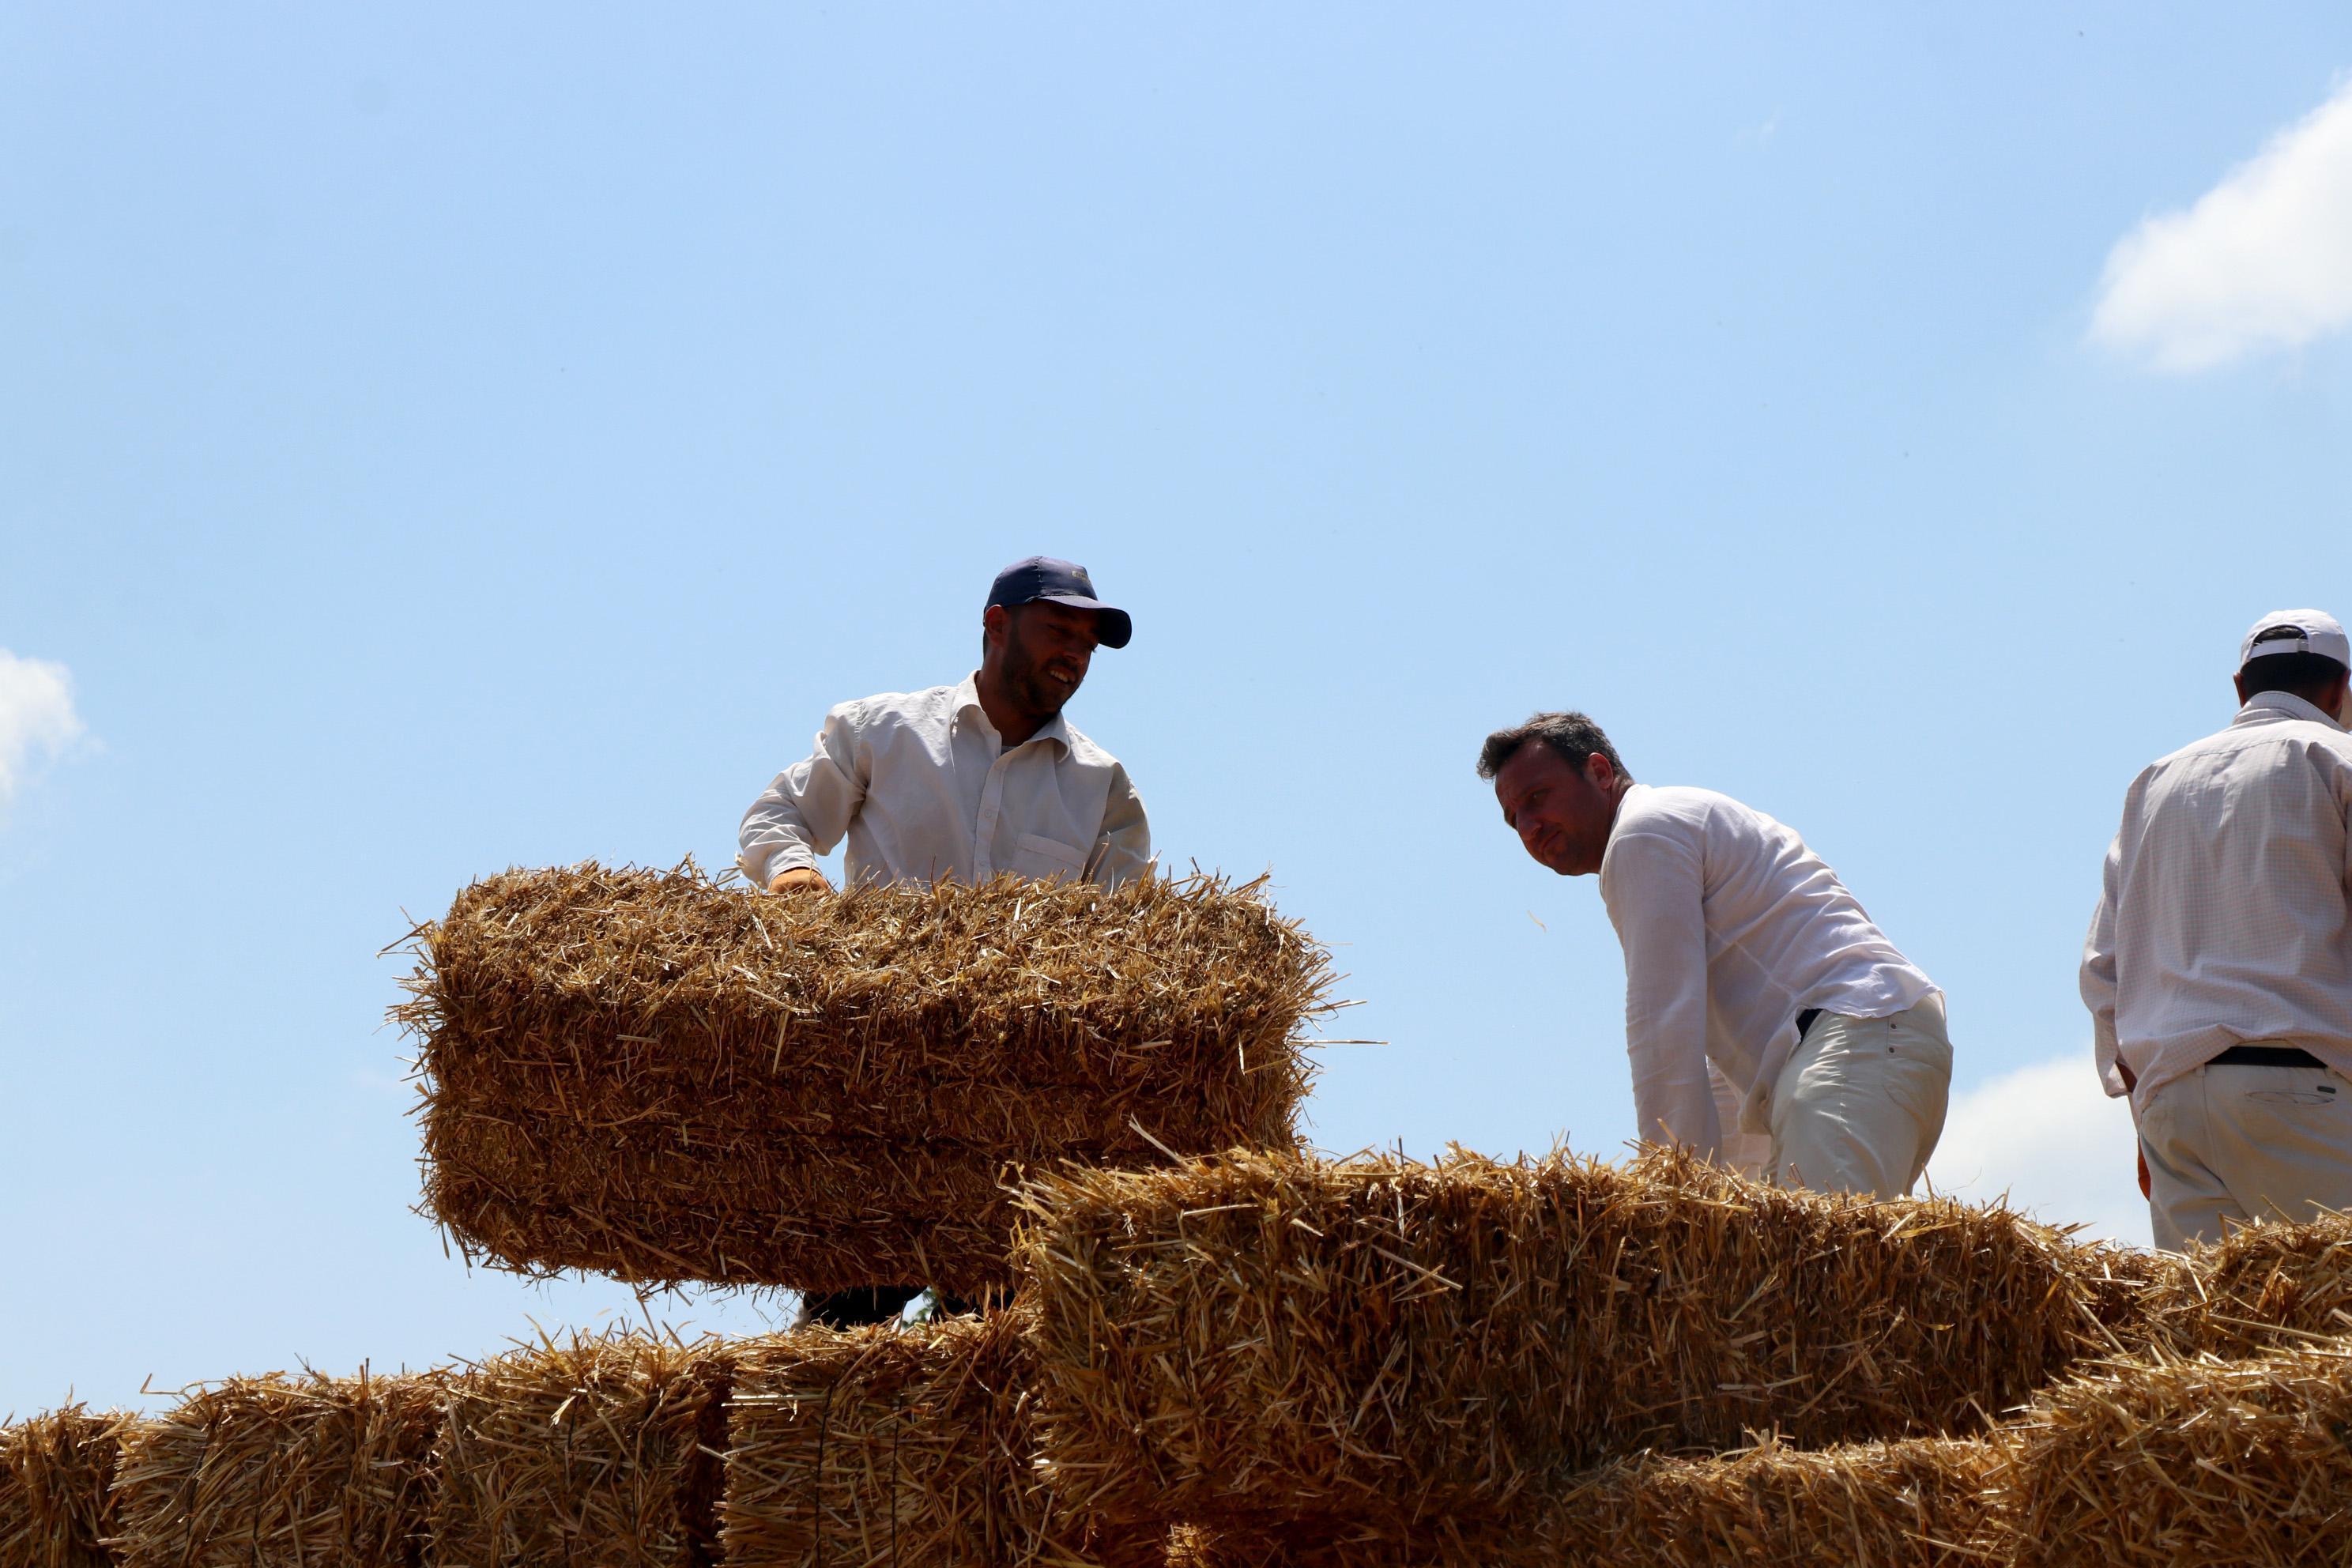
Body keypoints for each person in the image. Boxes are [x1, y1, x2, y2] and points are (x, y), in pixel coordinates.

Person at [739, 555, 1152, 1325]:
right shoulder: (882, 732)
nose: (1075, 653)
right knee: (840, 1334)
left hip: (1012, 1126)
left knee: (999, 1348)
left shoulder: (1104, 788)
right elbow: (776, 819)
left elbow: (1121, 942)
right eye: (1059, 629)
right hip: (877, 1100)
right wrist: (793, 875)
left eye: (1090, 643)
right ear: (996, 626)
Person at [1479, 711, 1951, 1197]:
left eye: (1538, 798)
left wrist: (1675, 1197)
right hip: (1872, 1044)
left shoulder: (1643, 833)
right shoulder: (1674, 820)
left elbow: (1662, 1020)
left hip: (1856, 1042)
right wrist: (1717, 1209)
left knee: (1814, 1266)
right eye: (1515, 818)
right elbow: (1722, 1065)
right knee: (1790, 1262)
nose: (1530, 827)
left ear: (1600, 773)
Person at [2082, 609, 2352, 1251]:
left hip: (2173, 1108)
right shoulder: (2335, 757)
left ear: (2240, 687)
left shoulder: (2153, 782)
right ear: (2342, 689)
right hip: (2307, 1090)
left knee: (2220, 1340)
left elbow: (2102, 973)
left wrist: (2143, 1113)